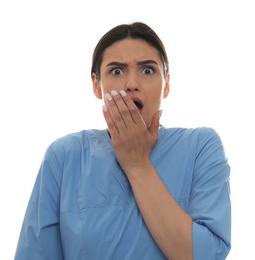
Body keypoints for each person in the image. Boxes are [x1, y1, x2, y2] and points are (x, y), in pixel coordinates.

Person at [14, 22, 231, 260]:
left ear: (166, 83)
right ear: (96, 85)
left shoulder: (201, 146)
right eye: (117, 71)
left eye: (148, 70)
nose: (131, 84)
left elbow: (207, 255)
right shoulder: (64, 156)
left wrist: (137, 163)